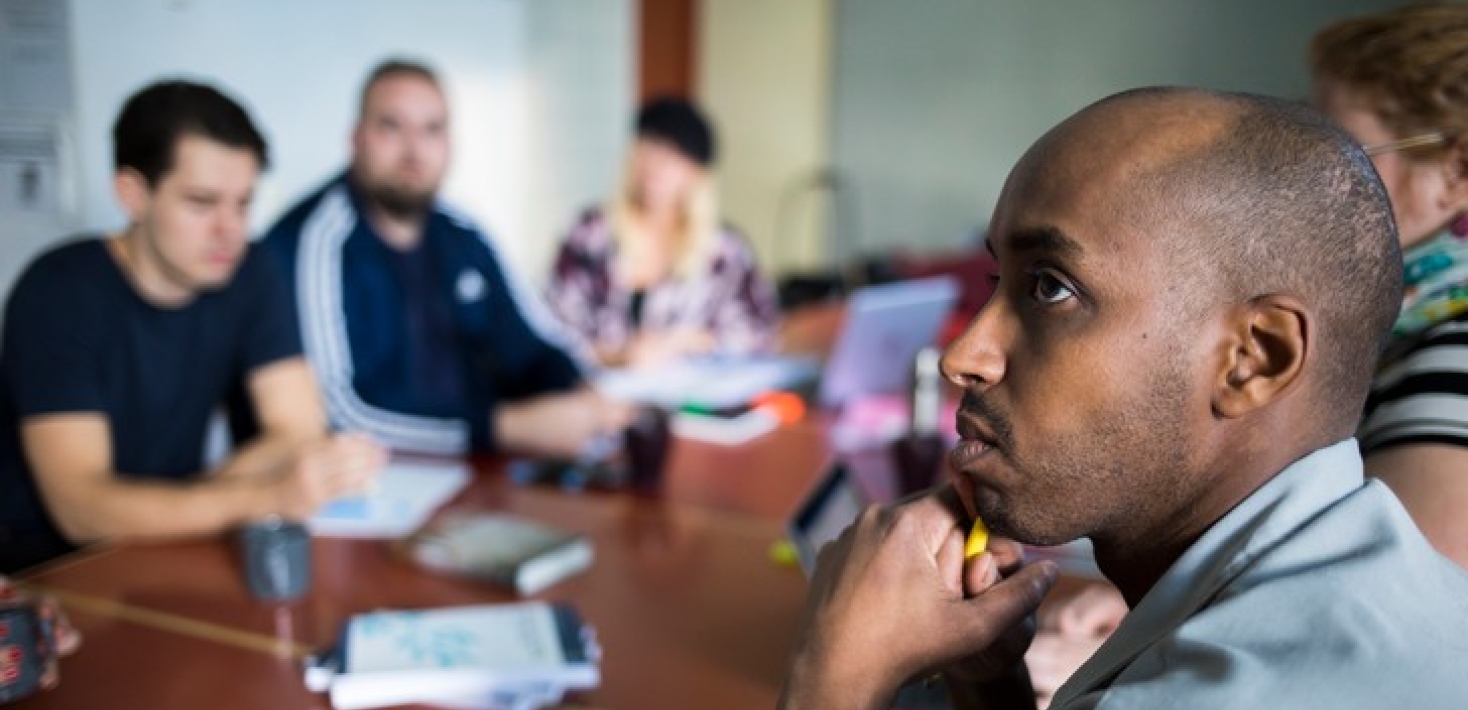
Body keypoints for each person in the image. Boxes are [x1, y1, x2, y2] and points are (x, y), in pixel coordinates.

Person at [777, 88, 1468, 710]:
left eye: (1051, 288)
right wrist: (987, 683)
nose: (966, 358)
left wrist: (831, 678)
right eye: (998, 282)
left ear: (1254, 359)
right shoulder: (1381, 580)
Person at [0, 81, 384, 574]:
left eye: (243, 204)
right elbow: (82, 512)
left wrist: (189, 503)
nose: (230, 229)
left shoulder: (250, 270)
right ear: (133, 194)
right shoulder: (57, 292)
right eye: (202, 203)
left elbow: (297, 429)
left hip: (167, 552)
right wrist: (264, 496)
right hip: (52, 575)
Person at [261, 59, 630, 458]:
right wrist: (502, 427)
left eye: (432, 130)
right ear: (356, 138)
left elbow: (536, 344)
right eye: (391, 127)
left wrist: (579, 393)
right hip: (371, 486)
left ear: (450, 145)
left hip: (477, 473)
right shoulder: (314, 239)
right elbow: (340, 413)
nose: (413, 150)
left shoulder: (464, 235)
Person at [1312, 2, 1468, 567]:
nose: (1308, 178)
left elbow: (1397, 622)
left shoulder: (1456, 353)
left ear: (1458, 171)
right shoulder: (1405, 331)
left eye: (1339, 150)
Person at [546, 97, 780, 368]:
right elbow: (553, 330)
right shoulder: (589, 234)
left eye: (674, 157)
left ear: (696, 173)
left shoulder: (724, 251)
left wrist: (681, 342)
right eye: (649, 148)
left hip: (691, 401)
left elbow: (763, 335)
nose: (656, 166)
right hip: (598, 397)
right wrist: (617, 357)